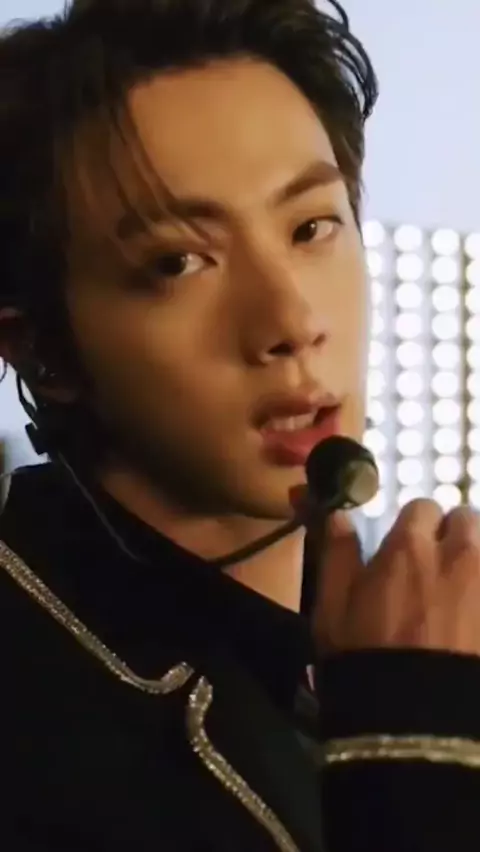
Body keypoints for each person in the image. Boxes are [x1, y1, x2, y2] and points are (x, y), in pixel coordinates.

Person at [1, 0, 480, 849]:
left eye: (311, 226)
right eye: (178, 262)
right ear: (43, 350)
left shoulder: (392, 632)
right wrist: (413, 763)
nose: (292, 321)